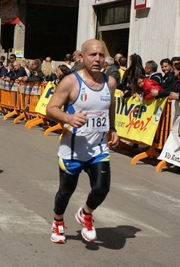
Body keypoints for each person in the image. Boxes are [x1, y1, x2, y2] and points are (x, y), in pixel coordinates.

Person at [46, 39, 119, 244]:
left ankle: (86, 213)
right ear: (82, 57)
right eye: (92, 55)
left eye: (101, 55)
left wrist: (112, 128)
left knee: (101, 189)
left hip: (98, 148)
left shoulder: (109, 82)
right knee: (66, 191)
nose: (97, 59)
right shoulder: (70, 82)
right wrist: (69, 118)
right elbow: (50, 109)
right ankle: (58, 221)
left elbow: (110, 104)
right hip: (73, 150)